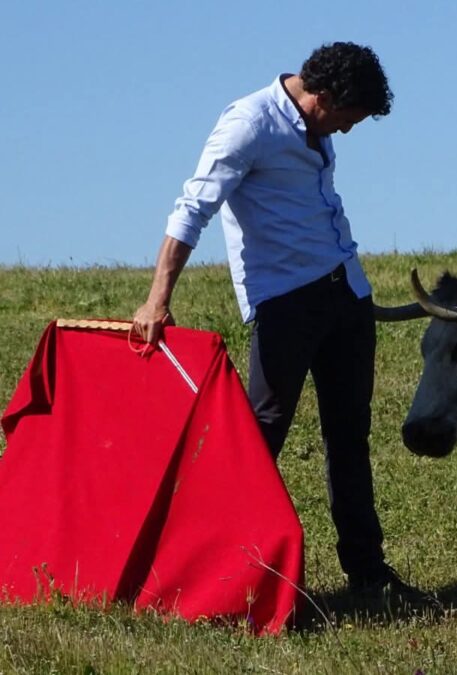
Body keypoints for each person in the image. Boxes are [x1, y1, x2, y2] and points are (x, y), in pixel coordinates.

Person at [133, 41, 425, 603]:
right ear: (322, 96)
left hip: (347, 294)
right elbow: (193, 208)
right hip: (286, 305)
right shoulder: (249, 125)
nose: (348, 129)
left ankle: (368, 573)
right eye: (348, 117)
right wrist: (156, 299)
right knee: (259, 438)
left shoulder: (316, 125)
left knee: (349, 437)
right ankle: (214, 574)